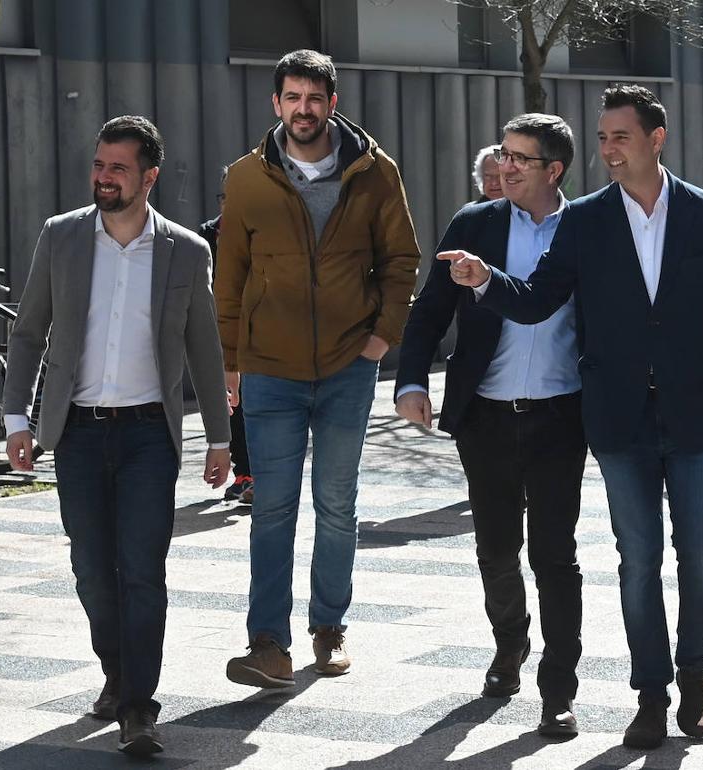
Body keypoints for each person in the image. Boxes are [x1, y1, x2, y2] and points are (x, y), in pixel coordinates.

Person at [440, 84, 703, 749]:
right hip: (618, 415)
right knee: (638, 557)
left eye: (619, 136)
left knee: (702, 551)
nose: (607, 149)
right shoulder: (586, 220)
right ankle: (650, 693)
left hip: (695, 411)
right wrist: (485, 280)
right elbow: (538, 300)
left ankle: (695, 671)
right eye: (601, 138)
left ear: (656, 139)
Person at [2, 116, 232, 757]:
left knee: (143, 574)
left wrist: (219, 437)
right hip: (75, 435)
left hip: (147, 440)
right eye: (99, 166)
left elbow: (204, 351)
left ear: (149, 177)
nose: (104, 178)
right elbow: (29, 332)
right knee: (93, 573)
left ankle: (138, 705)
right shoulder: (63, 237)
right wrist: (16, 417)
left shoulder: (186, 251)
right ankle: (117, 672)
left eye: (118, 169)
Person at [214, 49, 420, 689]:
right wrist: (228, 360)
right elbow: (231, 275)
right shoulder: (246, 177)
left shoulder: (374, 171)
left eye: (315, 98)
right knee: (272, 507)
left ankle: (329, 628)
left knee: (336, 503)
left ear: (333, 103)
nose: (303, 109)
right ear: (276, 104)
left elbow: (402, 260)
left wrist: (381, 339)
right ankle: (267, 642)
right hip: (270, 368)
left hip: (346, 367)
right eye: (292, 98)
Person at [396, 114, 585, 737]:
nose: (504, 167)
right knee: (497, 548)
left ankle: (559, 686)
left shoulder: (585, 227)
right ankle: (510, 647)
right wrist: (412, 381)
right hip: (487, 417)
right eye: (503, 155)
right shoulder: (474, 224)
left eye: (519, 159)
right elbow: (429, 310)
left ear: (552, 171)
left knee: (554, 554)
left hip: (562, 417)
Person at [199, 168, 254, 505]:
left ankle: (254, 475)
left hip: (257, 331)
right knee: (230, 403)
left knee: (254, 403)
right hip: (218, 329)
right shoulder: (207, 235)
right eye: (223, 198)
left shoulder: (260, 233)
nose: (227, 205)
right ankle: (244, 473)